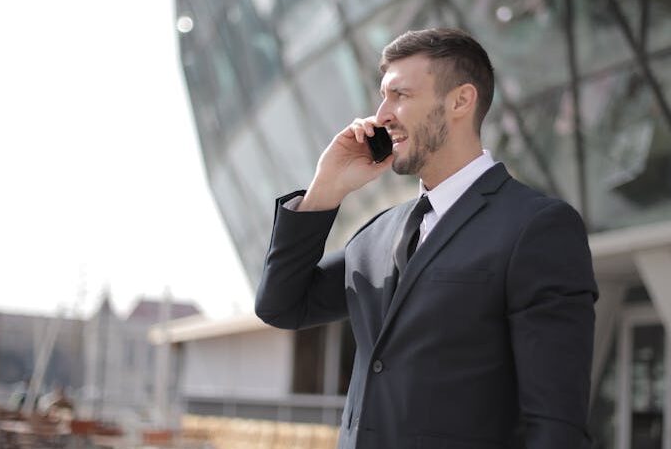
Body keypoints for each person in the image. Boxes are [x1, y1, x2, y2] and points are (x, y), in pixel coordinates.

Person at [256, 28, 597, 448]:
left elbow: (554, 424)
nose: (381, 114)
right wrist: (326, 189)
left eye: (400, 95)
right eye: (382, 97)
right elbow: (281, 305)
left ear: (460, 101)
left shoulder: (537, 227)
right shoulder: (375, 236)